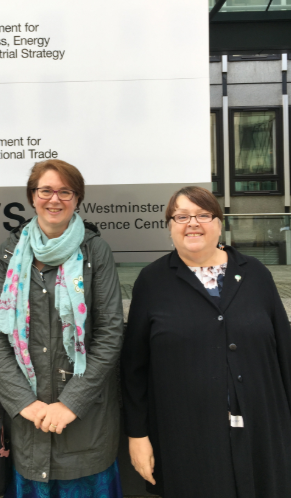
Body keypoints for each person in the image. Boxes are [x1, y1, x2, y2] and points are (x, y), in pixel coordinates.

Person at [121, 185, 291, 498]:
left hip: (262, 434)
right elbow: (134, 369)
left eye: (203, 214)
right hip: (187, 440)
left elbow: (285, 352)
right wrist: (138, 435)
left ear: (219, 222)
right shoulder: (151, 281)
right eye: (181, 216)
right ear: (169, 226)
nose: (193, 223)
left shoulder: (255, 273)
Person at [0, 159, 124, 498]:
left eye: (65, 191)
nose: (55, 199)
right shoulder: (9, 253)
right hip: (28, 424)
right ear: (33, 196)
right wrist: (23, 403)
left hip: (86, 421)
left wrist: (71, 403)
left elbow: (109, 334)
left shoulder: (95, 251)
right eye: (46, 190)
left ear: (77, 199)